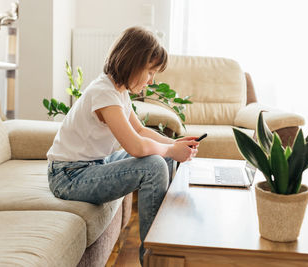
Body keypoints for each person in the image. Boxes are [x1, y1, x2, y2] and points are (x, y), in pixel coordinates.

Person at [46, 26, 199, 265]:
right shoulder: (103, 93)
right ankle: (152, 258)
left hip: (92, 165)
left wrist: (175, 144)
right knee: (154, 165)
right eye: (150, 72)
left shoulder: (118, 92)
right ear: (133, 62)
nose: (151, 81)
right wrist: (170, 150)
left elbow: (140, 130)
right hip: (68, 176)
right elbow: (137, 147)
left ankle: (169, 234)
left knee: (165, 157)